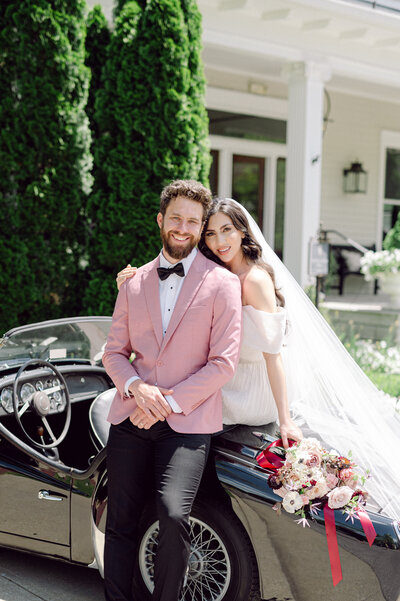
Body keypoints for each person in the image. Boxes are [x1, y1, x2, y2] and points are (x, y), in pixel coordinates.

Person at [117, 197, 400, 520]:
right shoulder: (212, 274)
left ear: (243, 232)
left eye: (227, 231)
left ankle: (171, 511)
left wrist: (284, 418)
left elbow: (273, 356)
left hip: (247, 390)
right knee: (168, 398)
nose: (219, 241)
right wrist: (133, 282)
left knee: (172, 415)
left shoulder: (254, 280)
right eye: (210, 234)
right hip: (223, 379)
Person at [102, 181, 242, 601]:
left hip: (187, 422)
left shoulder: (222, 283)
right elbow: (113, 352)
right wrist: (135, 387)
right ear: (161, 220)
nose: (184, 228)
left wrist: (164, 402)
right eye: (176, 218)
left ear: (201, 228)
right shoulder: (134, 282)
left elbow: (223, 363)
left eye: (193, 222)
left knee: (173, 513)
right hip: (130, 415)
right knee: (120, 519)